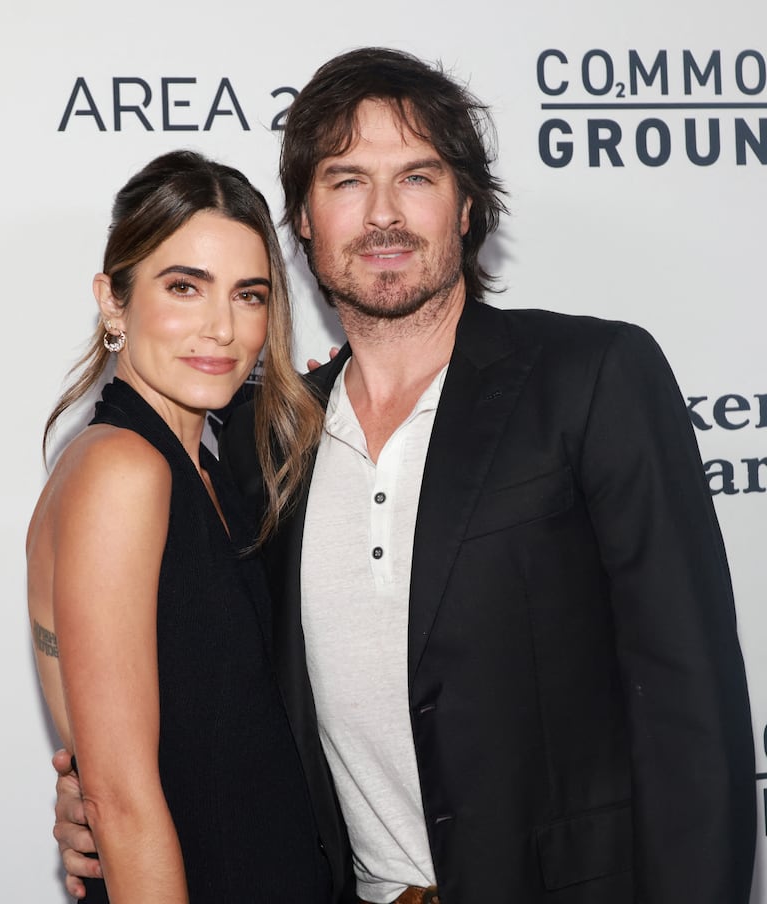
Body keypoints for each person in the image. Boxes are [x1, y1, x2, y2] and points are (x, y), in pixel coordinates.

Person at [54, 49, 756, 904]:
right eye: (347, 181)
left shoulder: (593, 376)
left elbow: (694, 716)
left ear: (466, 205)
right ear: (304, 221)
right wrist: (93, 790)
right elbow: (215, 692)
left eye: (416, 176)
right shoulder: (259, 444)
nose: (382, 214)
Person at [28, 150, 331, 904]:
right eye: (184, 287)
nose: (222, 328)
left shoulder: (207, 466)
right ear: (113, 300)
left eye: (249, 295)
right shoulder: (122, 473)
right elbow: (122, 802)